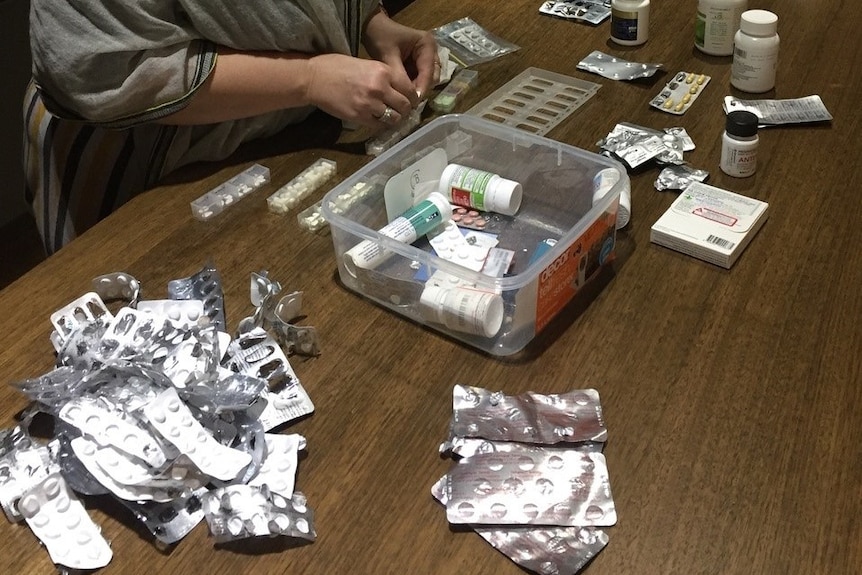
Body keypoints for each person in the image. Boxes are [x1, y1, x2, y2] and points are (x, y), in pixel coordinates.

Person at [24, 0, 440, 254]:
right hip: (144, 149)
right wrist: (309, 78)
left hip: (296, 130)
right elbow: (100, 70)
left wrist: (371, 22)